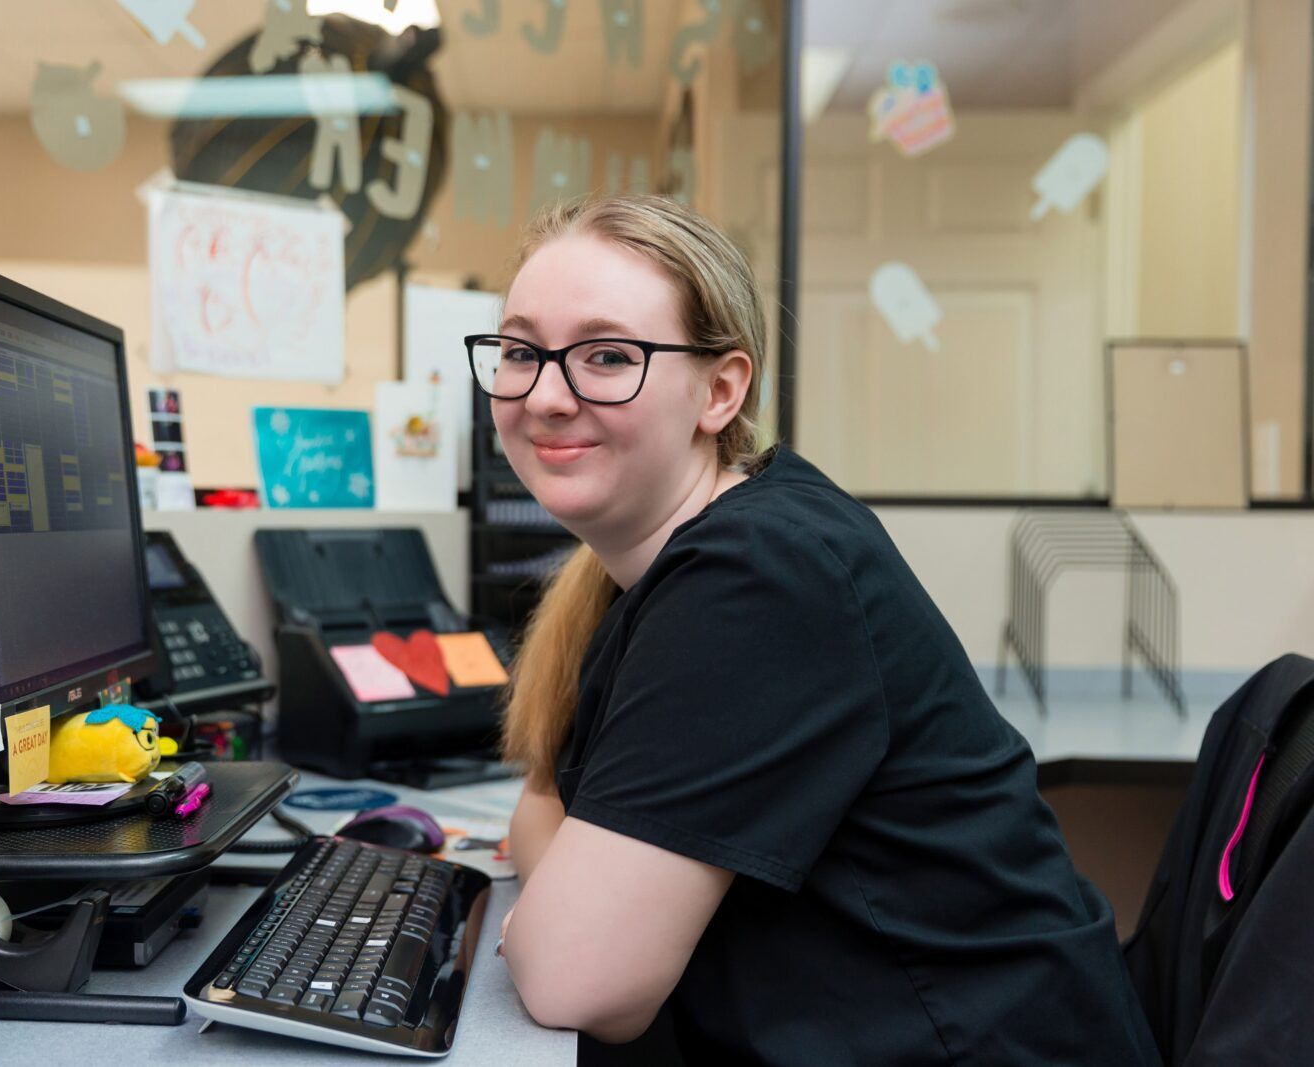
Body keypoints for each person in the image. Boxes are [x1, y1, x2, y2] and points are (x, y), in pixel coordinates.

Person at [481, 194, 1160, 1064]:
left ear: (720, 390)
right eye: (520, 351)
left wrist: (556, 908)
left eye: (608, 356)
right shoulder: (653, 570)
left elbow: (579, 977)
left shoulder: (762, 575)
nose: (546, 394)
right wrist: (561, 895)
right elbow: (541, 807)